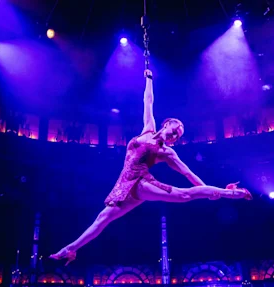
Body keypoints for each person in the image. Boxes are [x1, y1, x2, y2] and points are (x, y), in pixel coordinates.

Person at [50, 69, 252, 264]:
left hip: (140, 181)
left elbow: (188, 173)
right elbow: (148, 101)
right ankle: (70, 249)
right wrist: (149, 79)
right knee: (102, 218)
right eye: (175, 130)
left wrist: (208, 191)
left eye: (178, 136)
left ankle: (234, 194)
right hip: (123, 184)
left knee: (184, 195)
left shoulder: (167, 152)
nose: (175, 136)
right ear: (166, 124)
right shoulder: (148, 128)